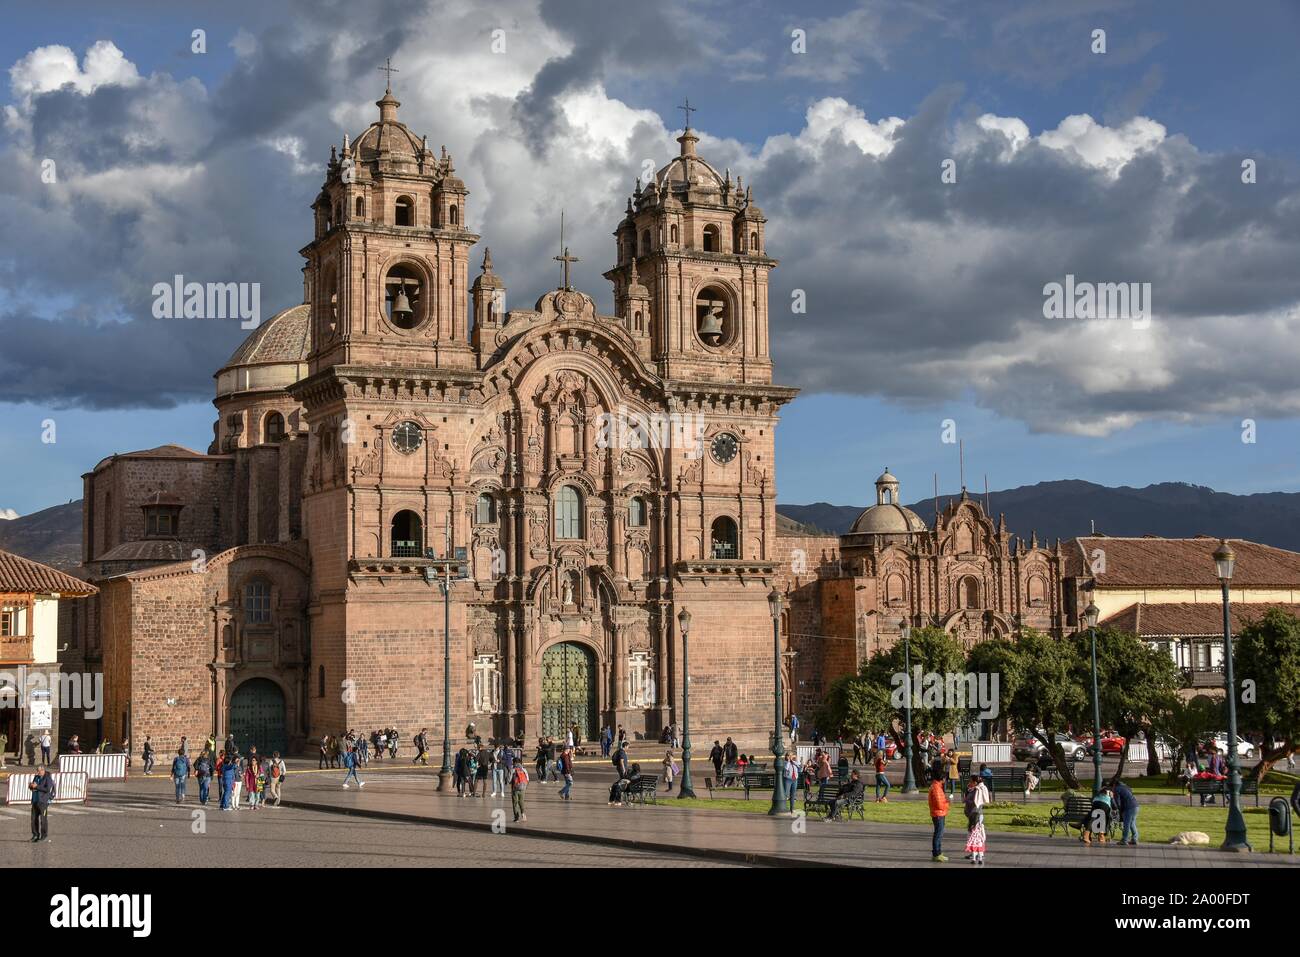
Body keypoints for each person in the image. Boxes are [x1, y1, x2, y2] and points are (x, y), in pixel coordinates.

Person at [963, 772, 989, 864]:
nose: (969, 782)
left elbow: (974, 802)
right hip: (972, 815)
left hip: (976, 815)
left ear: (975, 782)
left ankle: (978, 853)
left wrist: (967, 798)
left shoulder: (978, 790)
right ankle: (975, 852)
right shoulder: (972, 789)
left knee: (976, 834)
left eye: (971, 781)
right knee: (973, 834)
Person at [29, 764, 54, 842]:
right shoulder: (36, 777)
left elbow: (47, 789)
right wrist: (31, 786)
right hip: (35, 800)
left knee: (43, 820)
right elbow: (33, 786)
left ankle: (44, 836)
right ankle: (35, 835)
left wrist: (36, 787)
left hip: (43, 802)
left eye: (39, 771)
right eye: (37, 771)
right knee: (33, 819)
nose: (38, 772)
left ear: (43, 770)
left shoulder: (48, 778)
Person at [928, 773, 949, 862]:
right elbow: (939, 804)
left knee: (938, 833)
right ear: (942, 779)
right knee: (938, 834)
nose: (945, 780)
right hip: (939, 813)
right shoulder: (937, 788)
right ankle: (936, 853)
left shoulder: (936, 786)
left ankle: (938, 852)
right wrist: (947, 804)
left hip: (938, 813)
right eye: (945, 779)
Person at [1112, 776, 1139, 846]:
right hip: (1136, 806)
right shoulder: (1126, 786)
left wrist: (1119, 810)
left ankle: (1124, 840)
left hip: (1128, 807)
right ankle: (1134, 839)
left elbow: (1117, 802)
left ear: (1114, 784)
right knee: (1132, 823)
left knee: (1126, 824)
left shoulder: (1117, 789)